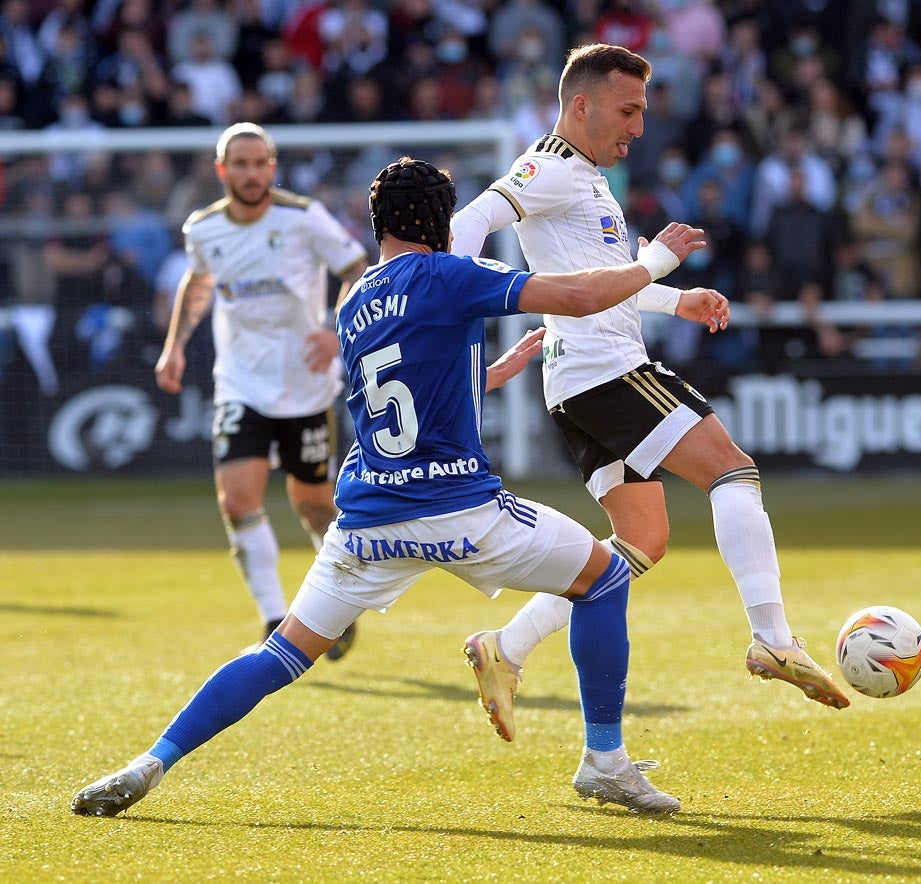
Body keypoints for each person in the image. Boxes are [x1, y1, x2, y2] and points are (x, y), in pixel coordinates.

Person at [72, 156, 706, 819]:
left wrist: (488, 374)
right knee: (602, 579)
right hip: (461, 509)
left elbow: (396, 394)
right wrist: (657, 261)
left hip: (368, 521)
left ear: (378, 225)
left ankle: (150, 762)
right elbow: (578, 296)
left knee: (279, 653)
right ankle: (603, 762)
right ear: (439, 218)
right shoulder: (450, 274)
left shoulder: (352, 301)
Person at [449, 43, 850, 746]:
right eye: (626, 109)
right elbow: (468, 223)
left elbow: (612, 276)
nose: (637, 125)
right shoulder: (545, 166)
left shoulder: (587, 177)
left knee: (638, 543)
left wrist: (675, 299)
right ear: (581, 104)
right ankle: (772, 638)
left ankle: (504, 648)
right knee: (732, 470)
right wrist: (466, 297)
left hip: (576, 380)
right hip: (604, 370)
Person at [154, 123, 368, 658]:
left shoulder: (302, 217)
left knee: (315, 507)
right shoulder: (203, 229)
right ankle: (276, 618)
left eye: (259, 163)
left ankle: (335, 605)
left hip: (305, 384)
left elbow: (357, 268)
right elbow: (198, 281)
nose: (250, 174)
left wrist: (333, 328)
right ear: (222, 171)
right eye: (239, 164)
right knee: (237, 499)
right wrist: (174, 344)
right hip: (240, 383)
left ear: (272, 168)